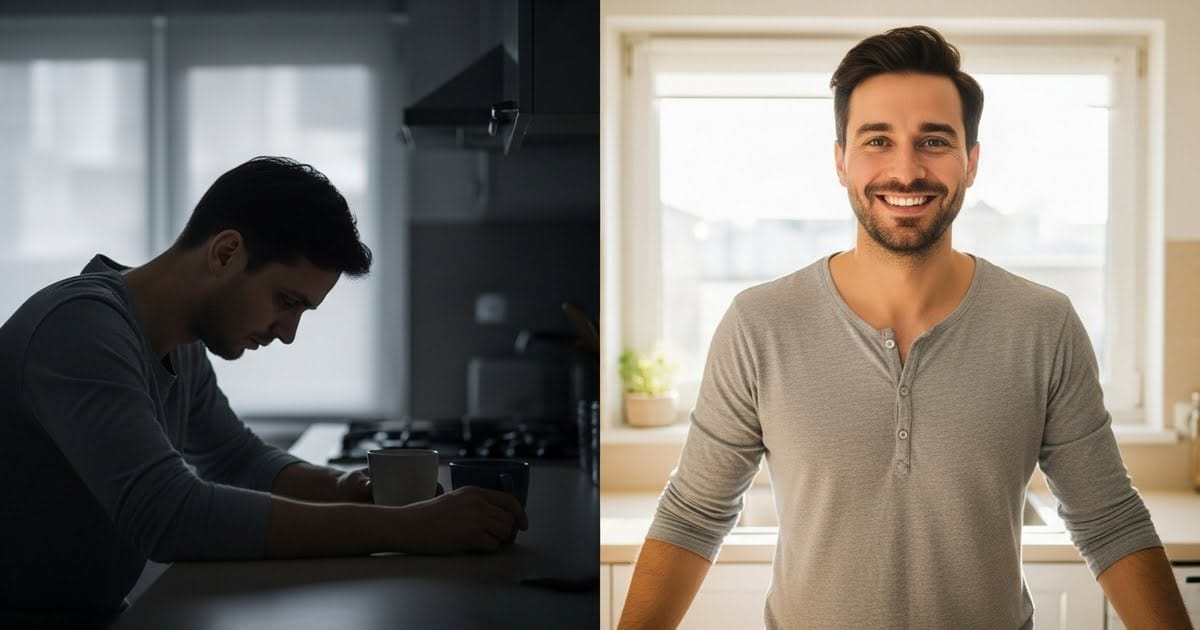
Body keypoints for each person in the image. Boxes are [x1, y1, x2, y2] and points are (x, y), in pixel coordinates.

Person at [617, 26, 1192, 629]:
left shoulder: (1043, 326)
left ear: (971, 162)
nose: (907, 169)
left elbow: (1109, 519)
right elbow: (693, 515)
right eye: (878, 140)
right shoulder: (759, 325)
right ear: (841, 161)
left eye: (934, 141)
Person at [0, 156, 527, 627]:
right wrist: (405, 528)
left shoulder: (180, 346)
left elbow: (235, 459)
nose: (288, 333)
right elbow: (167, 515)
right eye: (286, 301)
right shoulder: (80, 328)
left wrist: (347, 488)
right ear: (226, 253)